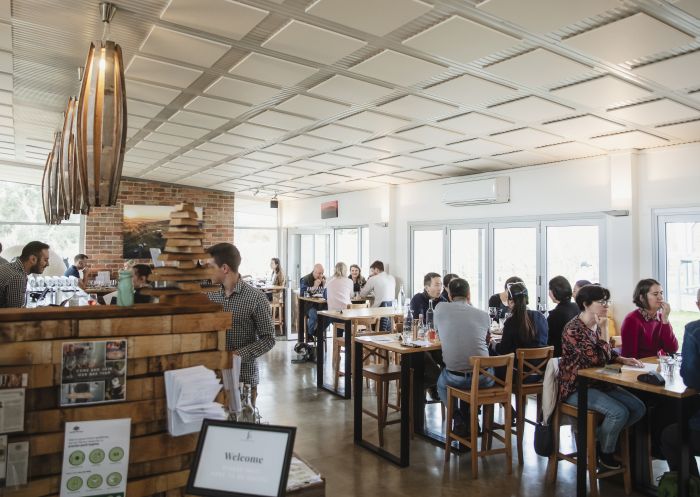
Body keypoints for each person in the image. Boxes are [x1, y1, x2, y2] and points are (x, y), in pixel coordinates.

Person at [558, 284, 646, 470]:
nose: (606, 305)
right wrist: (605, 332)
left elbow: (606, 355)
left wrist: (622, 358)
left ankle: (596, 437)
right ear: (586, 304)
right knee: (619, 412)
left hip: (599, 383)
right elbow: (597, 359)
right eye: (601, 301)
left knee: (638, 408)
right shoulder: (573, 329)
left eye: (607, 301)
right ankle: (605, 453)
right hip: (576, 387)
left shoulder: (596, 324)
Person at [206, 243, 275, 405]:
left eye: (210, 266)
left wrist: (236, 356)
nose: (207, 271)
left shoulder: (256, 298)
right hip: (215, 376)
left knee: (244, 424)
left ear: (224, 268)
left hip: (244, 377)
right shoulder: (211, 296)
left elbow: (269, 339)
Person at [435, 278, 492, 437]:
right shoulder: (483, 315)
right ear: (469, 294)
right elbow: (487, 340)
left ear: (449, 295)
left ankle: (458, 416)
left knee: (441, 384)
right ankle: (472, 417)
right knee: (482, 370)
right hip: (483, 378)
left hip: (455, 378)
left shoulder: (440, 309)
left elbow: (437, 332)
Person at [661, 288, 700, 475]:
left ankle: (691, 487)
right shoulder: (633, 319)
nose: (660, 297)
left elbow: (690, 377)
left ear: (698, 305)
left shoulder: (694, 330)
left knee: (670, 435)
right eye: (656, 293)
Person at [621, 278, 677, 359]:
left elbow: (672, 349)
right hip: (640, 368)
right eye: (655, 294)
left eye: (661, 293)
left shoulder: (662, 317)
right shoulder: (631, 320)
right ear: (642, 298)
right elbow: (629, 357)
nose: (660, 297)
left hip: (657, 366)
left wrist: (665, 320)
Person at [491, 282, 548, 356]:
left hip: (517, 366)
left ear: (511, 302)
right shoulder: (541, 317)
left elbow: (503, 350)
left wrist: (493, 344)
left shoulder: (511, 321)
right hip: (541, 365)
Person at [0, 241, 50, 308]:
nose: (48, 264)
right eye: (45, 260)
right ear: (33, 259)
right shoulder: (17, 277)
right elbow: (16, 314)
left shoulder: (10, 267)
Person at [546, 276, 580, 357]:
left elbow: (548, 340)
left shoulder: (555, 314)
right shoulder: (578, 307)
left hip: (560, 357)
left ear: (553, 293)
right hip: (577, 353)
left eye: (549, 290)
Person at [360, 260, 396, 331]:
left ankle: (365, 333)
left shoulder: (373, 278)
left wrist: (370, 280)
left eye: (372, 271)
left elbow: (362, 294)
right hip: (391, 309)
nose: (372, 273)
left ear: (376, 269)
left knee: (366, 312)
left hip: (379, 310)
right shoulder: (392, 277)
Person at [300, 264, 326, 338]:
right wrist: (314, 287)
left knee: (330, 314)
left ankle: (318, 333)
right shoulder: (305, 279)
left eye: (322, 273)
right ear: (314, 271)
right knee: (313, 314)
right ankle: (310, 334)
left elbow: (327, 293)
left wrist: (325, 285)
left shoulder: (323, 279)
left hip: (321, 305)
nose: (321, 275)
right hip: (309, 305)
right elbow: (302, 292)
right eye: (319, 273)